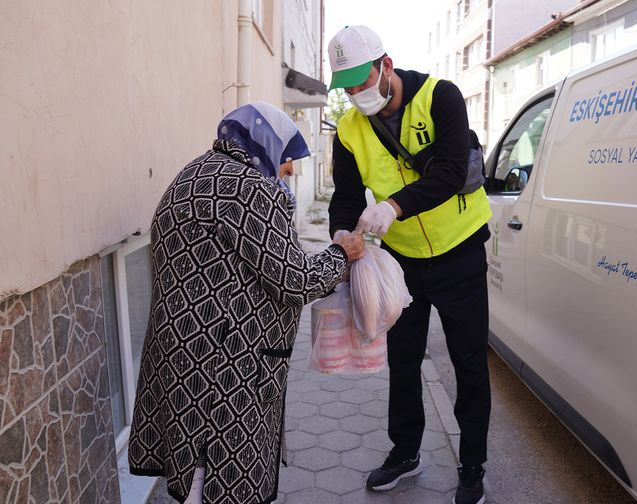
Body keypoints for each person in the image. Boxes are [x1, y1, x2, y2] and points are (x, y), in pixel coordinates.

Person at [127, 102, 365, 504]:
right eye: (288, 164)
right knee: (222, 482)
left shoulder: (190, 176)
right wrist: (341, 254)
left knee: (195, 472)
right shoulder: (255, 189)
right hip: (229, 368)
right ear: (269, 147)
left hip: (179, 359)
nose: (288, 175)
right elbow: (296, 280)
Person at [327, 25, 493, 504]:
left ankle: (472, 466)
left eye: (363, 80)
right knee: (402, 361)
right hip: (402, 261)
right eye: (349, 86)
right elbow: (343, 194)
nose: (358, 93)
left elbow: (447, 172)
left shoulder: (441, 97)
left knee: (467, 363)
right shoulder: (349, 128)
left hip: (460, 251)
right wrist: (341, 233)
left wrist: (392, 207)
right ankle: (405, 452)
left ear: (386, 65)